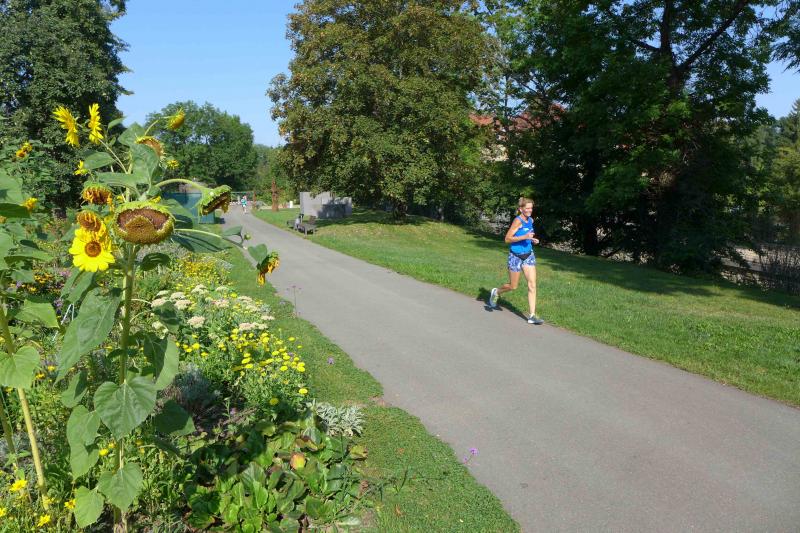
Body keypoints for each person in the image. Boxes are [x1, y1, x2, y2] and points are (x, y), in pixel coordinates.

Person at [488, 197, 544, 324]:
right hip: (515, 256)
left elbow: (528, 235)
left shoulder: (531, 220)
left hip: (528, 255)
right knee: (513, 286)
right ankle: (496, 292)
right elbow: (507, 239)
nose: (530, 210)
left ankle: (532, 315)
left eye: (531, 208)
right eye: (527, 208)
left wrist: (532, 239)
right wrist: (524, 236)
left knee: (532, 284)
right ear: (521, 209)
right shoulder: (517, 221)